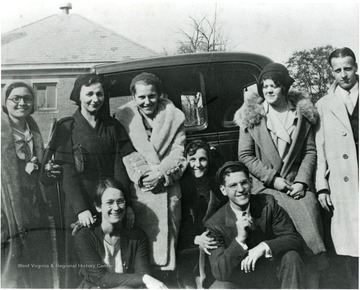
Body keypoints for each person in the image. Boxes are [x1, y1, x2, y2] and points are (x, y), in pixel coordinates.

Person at [234, 62, 327, 287]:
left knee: (311, 214)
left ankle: (314, 280)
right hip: (267, 187)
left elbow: (310, 151)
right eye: (265, 86)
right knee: (279, 236)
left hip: (296, 186)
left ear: (284, 87)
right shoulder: (252, 117)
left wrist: (302, 182)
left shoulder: (302, 114)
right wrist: (272, 179)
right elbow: (245, 155)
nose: (269, 91)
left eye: (274, 86)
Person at [49, 73, 141, 287]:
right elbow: (68, 174)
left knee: (111, 259)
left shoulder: (113, 126)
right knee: (79, 264)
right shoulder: (66, 128)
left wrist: (125, 204)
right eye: (89, 94)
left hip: (110, 204)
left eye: (99, 94)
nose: (95, 99)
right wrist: (81, 208)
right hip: (79, 206)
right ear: (78, 96)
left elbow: (121, 168)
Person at [115, 72, 186, 278]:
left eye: (152, 96)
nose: (147, 102)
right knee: (141, 252)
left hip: (167, 189)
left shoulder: (175, 117)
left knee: (167, 253)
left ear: (159, 94)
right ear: (134, 97)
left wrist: (162, 174)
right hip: (139, 191)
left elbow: (179, 153)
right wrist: (144, 175)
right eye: (142, 97)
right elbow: (126, 154)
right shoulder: (123, 118)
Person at [205, 161, 305, 289]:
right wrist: (239, 240)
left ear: (251, 182)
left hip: (272, 277)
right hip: (242, 283)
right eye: (233, 185)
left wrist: (264, 247)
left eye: (244, 183)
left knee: (292, 257)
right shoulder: (215, 224)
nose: (240, 189)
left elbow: (293, 239)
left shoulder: (267, 203)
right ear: (223, 190)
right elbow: (219, 272)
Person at [1, 81, 61, 288]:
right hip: (7, 210)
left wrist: (47, 170)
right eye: (15, 98)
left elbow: (40, 175)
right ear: (5, 101)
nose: (21, 103)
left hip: (35, 209)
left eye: (27, 98)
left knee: (37, 265)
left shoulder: (33, 130)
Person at [315, 47, 358, 288]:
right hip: (342, 182)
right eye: (337, 70)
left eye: (348, 68)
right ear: (332, 72)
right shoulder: (324, 105)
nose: (343, 75)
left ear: (356, 67)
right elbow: (319, 148)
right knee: (350, 245)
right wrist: (322, 186)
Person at [74, 178, 167, 289]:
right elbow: (100, 277)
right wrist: (144, 278)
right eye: (109, 202)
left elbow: (142, 273)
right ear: (98, 207)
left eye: (120, 201)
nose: (116, 208)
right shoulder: (85, 235)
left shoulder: (137, 236)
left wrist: (144, 279)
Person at [177, 139, 227, 288]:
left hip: (213, 242)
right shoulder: (180, 188)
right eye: (192, 159)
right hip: (188, 245)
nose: (197, 165)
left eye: (202, 159)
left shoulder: (218, 187)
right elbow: (178, 224)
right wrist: (195, 238)